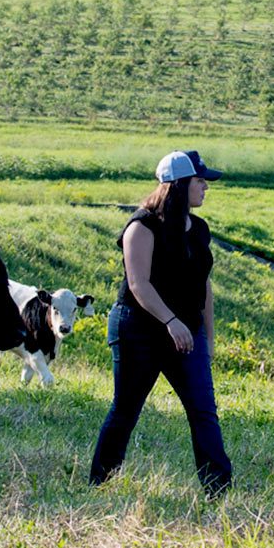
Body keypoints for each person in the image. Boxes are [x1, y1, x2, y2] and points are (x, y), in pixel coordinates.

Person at [90, 149, 233, 498]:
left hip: (186, 333)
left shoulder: (198, 229)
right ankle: (100, 483)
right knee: (126, 408)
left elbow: (204, 286)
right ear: (179, 185)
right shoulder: (141, 226)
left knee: (203, 410)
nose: (206, 189)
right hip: (138, 329)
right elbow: (139, 283)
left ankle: (219, 489)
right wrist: (170, 321)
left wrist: (207, 339)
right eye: (200, 182)